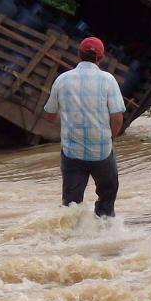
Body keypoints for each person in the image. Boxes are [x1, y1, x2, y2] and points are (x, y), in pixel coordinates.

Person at [43, 37, 126, 217]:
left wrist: (66, 121)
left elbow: (49, 114)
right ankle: (104, 231)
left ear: (79, 55)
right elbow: (117, 118)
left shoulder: (62, 80)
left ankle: (72, 238)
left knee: (71, 205)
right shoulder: (108, 80)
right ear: (101, 58)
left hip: (72, 150)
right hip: (102, 150)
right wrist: (110, 138)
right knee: (107, 195)